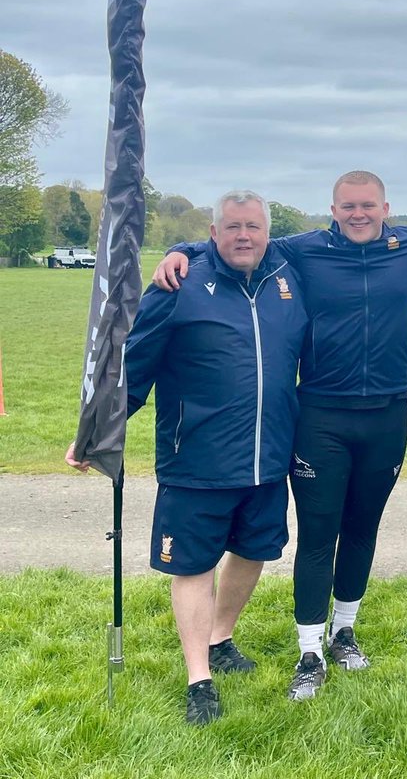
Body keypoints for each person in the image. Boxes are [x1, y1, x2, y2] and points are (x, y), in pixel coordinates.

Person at [151, 171, 407, 701]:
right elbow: (239, 239)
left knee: (363, 527)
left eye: (368, 206)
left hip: (390, 412)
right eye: (347, 206)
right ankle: (309, 651)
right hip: (320, 415)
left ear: (387, 207)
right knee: (319, 533)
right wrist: (181, 248)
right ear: (332, 209)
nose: (358, 214)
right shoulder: (303, 251)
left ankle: (344, 631)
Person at [68, 191, 309, 725]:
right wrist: (94, 432)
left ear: (268, 231)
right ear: (213, 231)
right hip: (195, 459)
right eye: (232, 227)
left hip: (269, 460)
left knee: (255, 550)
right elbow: (135, 364)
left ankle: (222, 639)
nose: (244, 235)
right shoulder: (178, 285)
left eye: (254, 226)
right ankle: (198, 677)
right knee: (195, 564)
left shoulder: (289, 280)